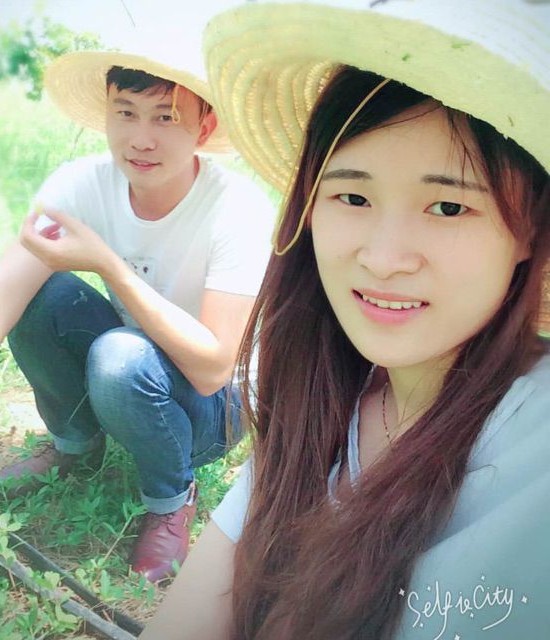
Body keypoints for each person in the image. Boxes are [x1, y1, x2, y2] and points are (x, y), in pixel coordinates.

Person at [140, 0, 550, 637]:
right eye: (353, 196)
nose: (383, 259)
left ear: (530, 230)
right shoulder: (318, 400)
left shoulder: (533, 442)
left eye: (448, 207)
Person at [0, 38, 275, 582]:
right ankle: (74, 447)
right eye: (125, 113)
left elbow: (213, 367)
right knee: (42, 294)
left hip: (215, 406)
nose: (141, 138)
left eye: (165, 117)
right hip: (132, 364)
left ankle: (171, 496)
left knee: (121, 356)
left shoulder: (236, 209)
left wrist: (109, 265)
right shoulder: (82, 184)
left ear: (204, 128)